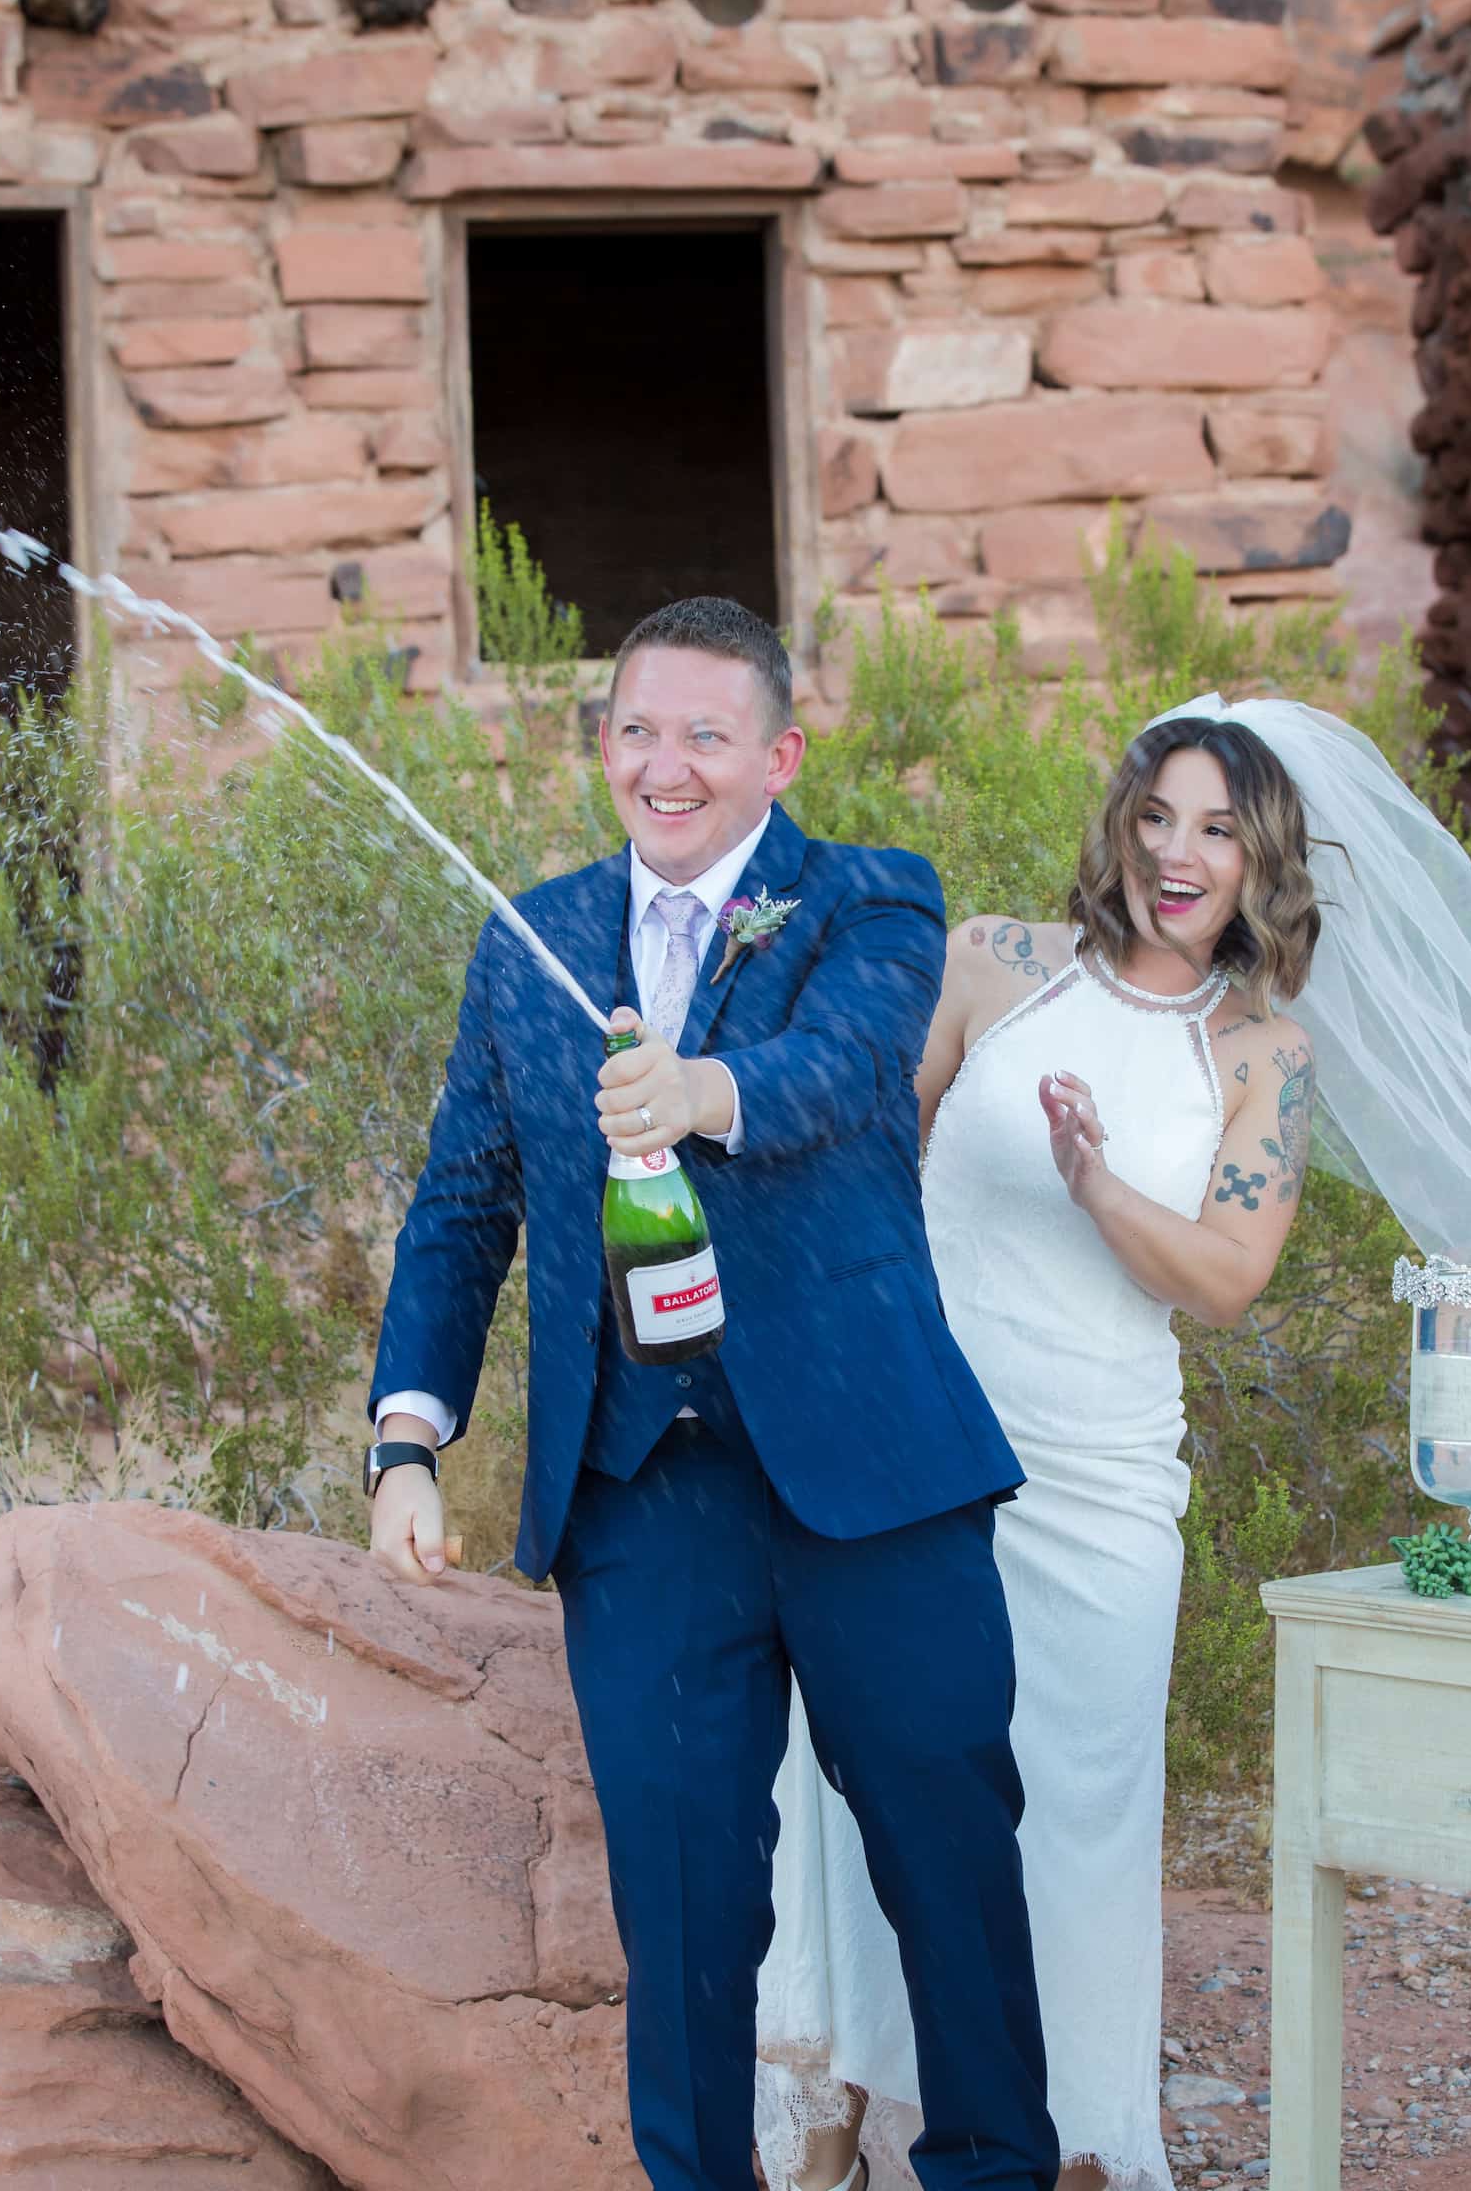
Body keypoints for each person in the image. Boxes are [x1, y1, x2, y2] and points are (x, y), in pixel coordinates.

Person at [757, 698, 1471, 2191]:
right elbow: (869, 1176)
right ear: (1118, 829)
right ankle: (861, 2114)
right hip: (917, 1455)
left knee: (1076, 1811)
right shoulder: (992, 967)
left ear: (1261, 863)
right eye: (1155, 817)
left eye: (1216, 828)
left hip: (1102, 1481)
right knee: (874, 1775)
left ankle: (1064, 2142)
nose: (1176, 854)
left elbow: (1224, 1274)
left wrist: (1096, 1185)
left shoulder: (1262, 1052)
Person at [365, 597, 1057, 2191]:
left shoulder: (871, 902)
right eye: (636, 731)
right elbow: (461, 1206)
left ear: (776, 756)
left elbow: (851, 1066)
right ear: (602, 745)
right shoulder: (526, 943)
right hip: (642, 1493)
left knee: (947, 1859)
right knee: (679, 1902)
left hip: (872, 1472)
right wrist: (410, 1438)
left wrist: (703, 1091)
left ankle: (995, 2172)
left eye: (704, 735)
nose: (663, 766)